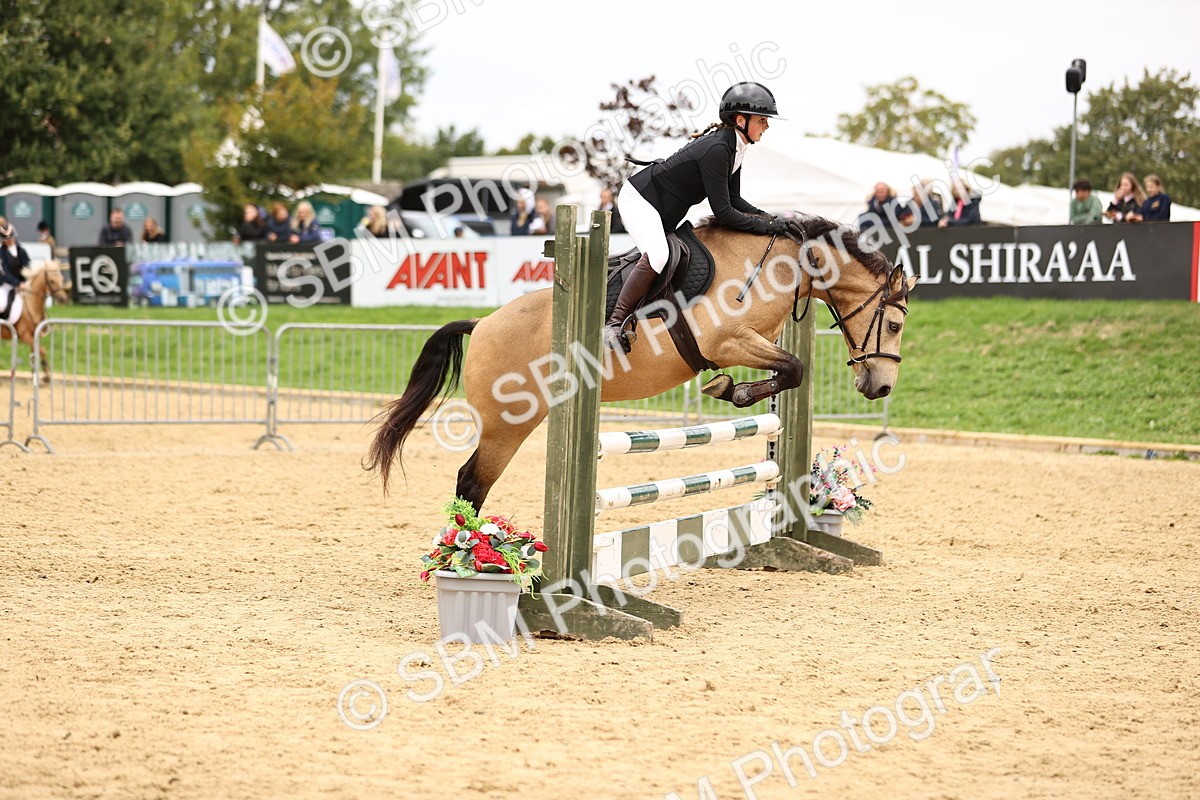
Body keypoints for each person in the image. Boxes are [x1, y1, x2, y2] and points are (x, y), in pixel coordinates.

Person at [605, 82, 786, 352]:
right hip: (640, 200)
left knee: (666, 255)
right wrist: (765, 226)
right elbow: (723, 212)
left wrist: (767, 217)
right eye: (762, 120)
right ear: (741, 119)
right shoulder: (718, 149)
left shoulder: (735, 147)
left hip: (660, 208)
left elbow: (734, 199)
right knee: (658, 255)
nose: (766, 126)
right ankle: (614, 323)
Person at [0, 222, 29, 321]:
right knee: (2, 304)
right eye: (6, 240)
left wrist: (25, 281)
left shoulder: (22, 251)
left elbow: (27, 267)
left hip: (22, 284)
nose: (10, 241)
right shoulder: (1, 253)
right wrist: (17, 283)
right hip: (5, 285)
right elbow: (4, 272)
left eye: (11, 238)